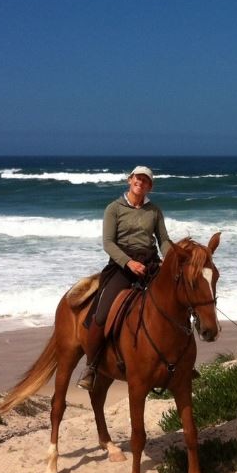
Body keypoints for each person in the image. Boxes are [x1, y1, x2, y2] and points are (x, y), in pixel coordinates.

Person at [77, 165, 173, 391]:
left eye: (146, 180)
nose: (141, 182)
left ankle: (176, 360)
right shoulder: (114, 208)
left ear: (150, 186)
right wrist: (128, 262)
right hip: (122, 267)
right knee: (101, 315)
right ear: (130, 180)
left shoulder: (154, 211)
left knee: (175, 302)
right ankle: (91, 366)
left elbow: (164, 241)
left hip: (150, 264)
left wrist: (173, 259)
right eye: (137, 178)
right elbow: (108, 243)